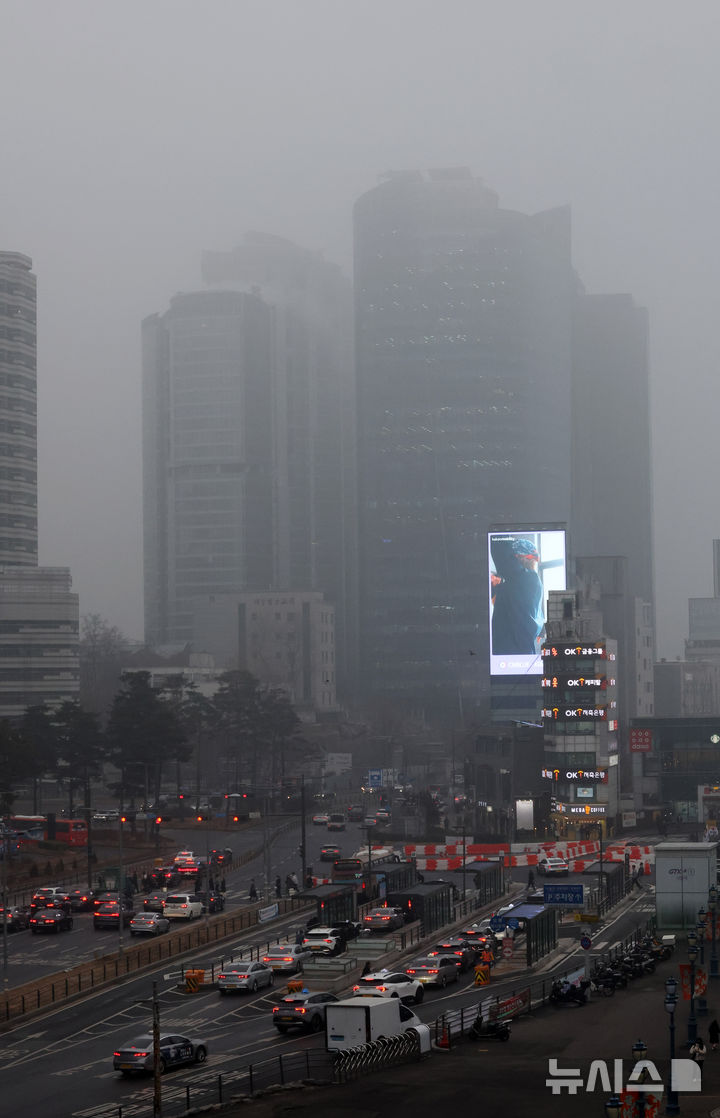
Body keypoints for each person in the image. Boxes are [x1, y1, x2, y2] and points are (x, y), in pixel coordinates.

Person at [490, 535, 545, 656]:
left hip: (510, 649)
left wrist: (504, 538)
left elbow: (499, 548)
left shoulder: (525, 577)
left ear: (518, 558)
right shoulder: (530, 581)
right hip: (522, 649)